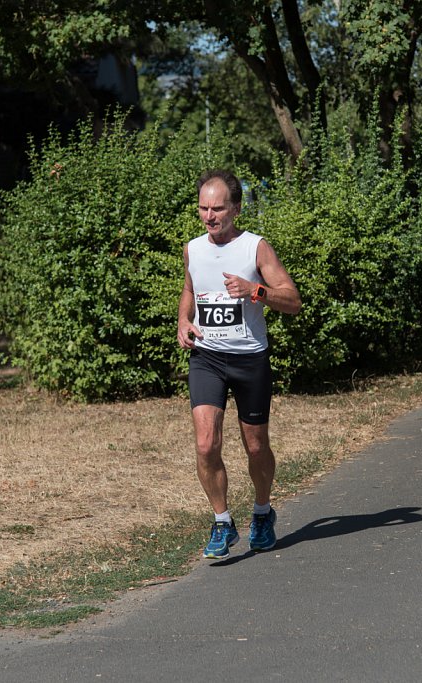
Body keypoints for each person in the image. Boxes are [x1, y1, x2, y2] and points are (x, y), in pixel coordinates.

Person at [177, 169, 302, 558]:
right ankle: (222, 522)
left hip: (250, 359)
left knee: (256, 446)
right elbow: (190, 289)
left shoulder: (255, 248)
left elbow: (293, 301)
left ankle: (262, 512)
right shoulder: (193, 249)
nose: (209, 217)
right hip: (208, 358)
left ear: (236, 208)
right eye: (203, 208)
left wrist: (256, 290)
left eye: (217, 209)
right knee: (205, 442)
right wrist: (183, 320)